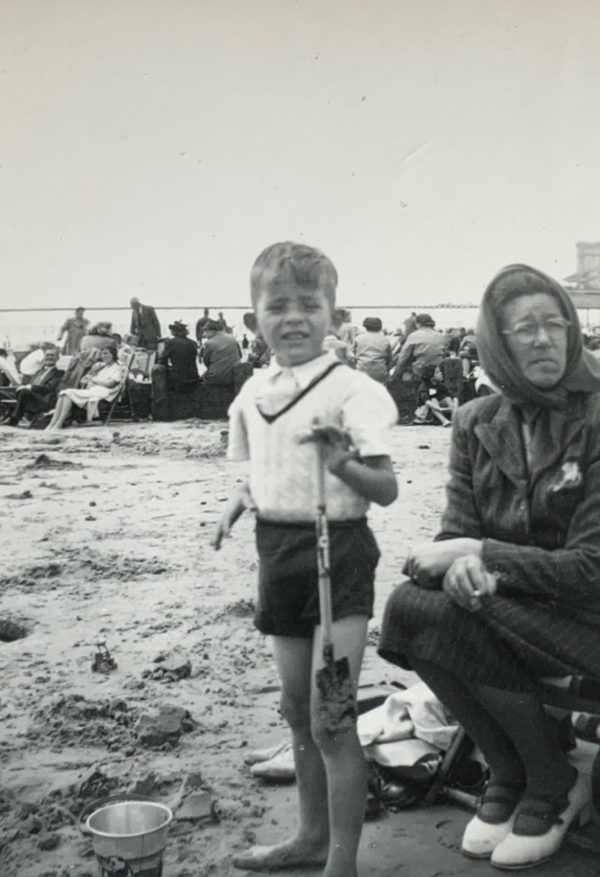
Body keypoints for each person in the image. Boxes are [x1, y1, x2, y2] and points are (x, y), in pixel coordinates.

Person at [379, 264, 600, 870]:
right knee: (410, 605)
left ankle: (553, 780)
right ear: (497, 343)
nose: (543, 339)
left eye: (555, 324)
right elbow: (457, 531)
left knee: (456, 606)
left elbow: (592, 569)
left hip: (590, 622)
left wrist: (478, 558)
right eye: (524, 328)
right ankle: (512, 767)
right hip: (521, 614)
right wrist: (457, 562)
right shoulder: (476, 422)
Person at [212, 241, 398, 877]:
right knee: (296, 710)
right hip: (278, 554)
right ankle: (310, 836)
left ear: (333, 312)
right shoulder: (253, 391)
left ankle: (340, 862)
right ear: (254, 316)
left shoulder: (353, 390)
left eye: (309, 304)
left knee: (334, 719)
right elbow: (262, 471)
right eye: (277, 305)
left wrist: (341, 461)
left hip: (337, 554)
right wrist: (240, 501)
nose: (293, 317)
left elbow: (387, 489)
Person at [46, 345, 124, 429]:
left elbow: (110, 383)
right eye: (102, 354)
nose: (103, 356)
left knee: (67, 393)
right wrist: (92, 374)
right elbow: (87, 379)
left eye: (106, 354)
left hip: (104, 392)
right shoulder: (102, 367)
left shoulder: (118, 368)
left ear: (113, 355)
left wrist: (94, 380)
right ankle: (52, 423)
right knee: (63, 394)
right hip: (94, 390)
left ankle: (58, 424)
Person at [1, 348, 64, 427]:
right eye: (47, 355)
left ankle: (15, 418)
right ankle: (6, 415)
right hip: (31, 396)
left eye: (52, 355)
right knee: (2, 392)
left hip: (43, 400)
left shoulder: (59, 373)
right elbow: (30, 384)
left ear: (57, 358)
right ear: (44, 357)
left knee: (24, 392)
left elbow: (49, 388)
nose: (49, 357)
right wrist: (24, 386)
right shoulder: (39, 371)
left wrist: (30, 387)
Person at [390, 313, 446, 382]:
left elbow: (403, 358)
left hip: (420, 372)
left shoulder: (414, 336)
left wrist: (395, 377)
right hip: (437, 371)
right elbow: (444, 354)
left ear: (418, 324)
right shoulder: (441, 336)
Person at [158, 321, 199, 392]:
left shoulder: (170, 343)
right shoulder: (193, 343)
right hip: (193, 377)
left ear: (174, 332)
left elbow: (163, 360)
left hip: (178, 379)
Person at [200, 319, 241, 385]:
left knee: (201, 379)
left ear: (212, 331)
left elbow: (206, 361)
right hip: (234, 375)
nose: (204, 335)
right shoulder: (232, 338)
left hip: (217, 377)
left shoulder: (209, 343)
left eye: (206, 332)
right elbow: (240, 355)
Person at [353, 317, 393, 383]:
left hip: (362, 372)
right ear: (380, 327)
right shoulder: (385, 340)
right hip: (380, 373)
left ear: (365, 326)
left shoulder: (358, 339)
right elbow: (389, 359)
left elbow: (352, 357)